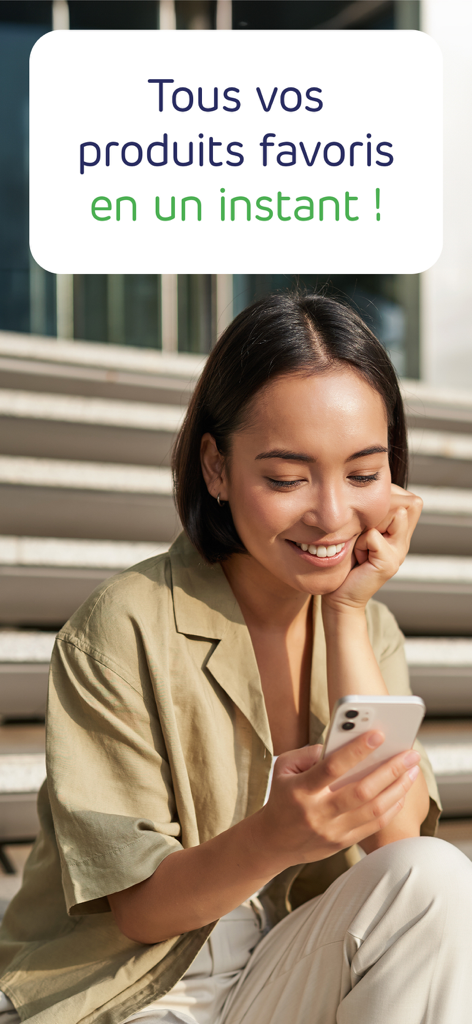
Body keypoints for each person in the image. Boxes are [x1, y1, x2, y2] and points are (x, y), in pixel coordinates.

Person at [1, 293, 471, 1024]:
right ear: (216, 468)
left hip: (282, 974)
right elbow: (138, 911)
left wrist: (346, 615)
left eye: (363, 473)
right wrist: (275, 836)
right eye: (287, 478)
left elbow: (398, 849)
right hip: (134, 992)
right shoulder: (122, 626)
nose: (332, 515)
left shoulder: (369, 627)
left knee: (438, 876)